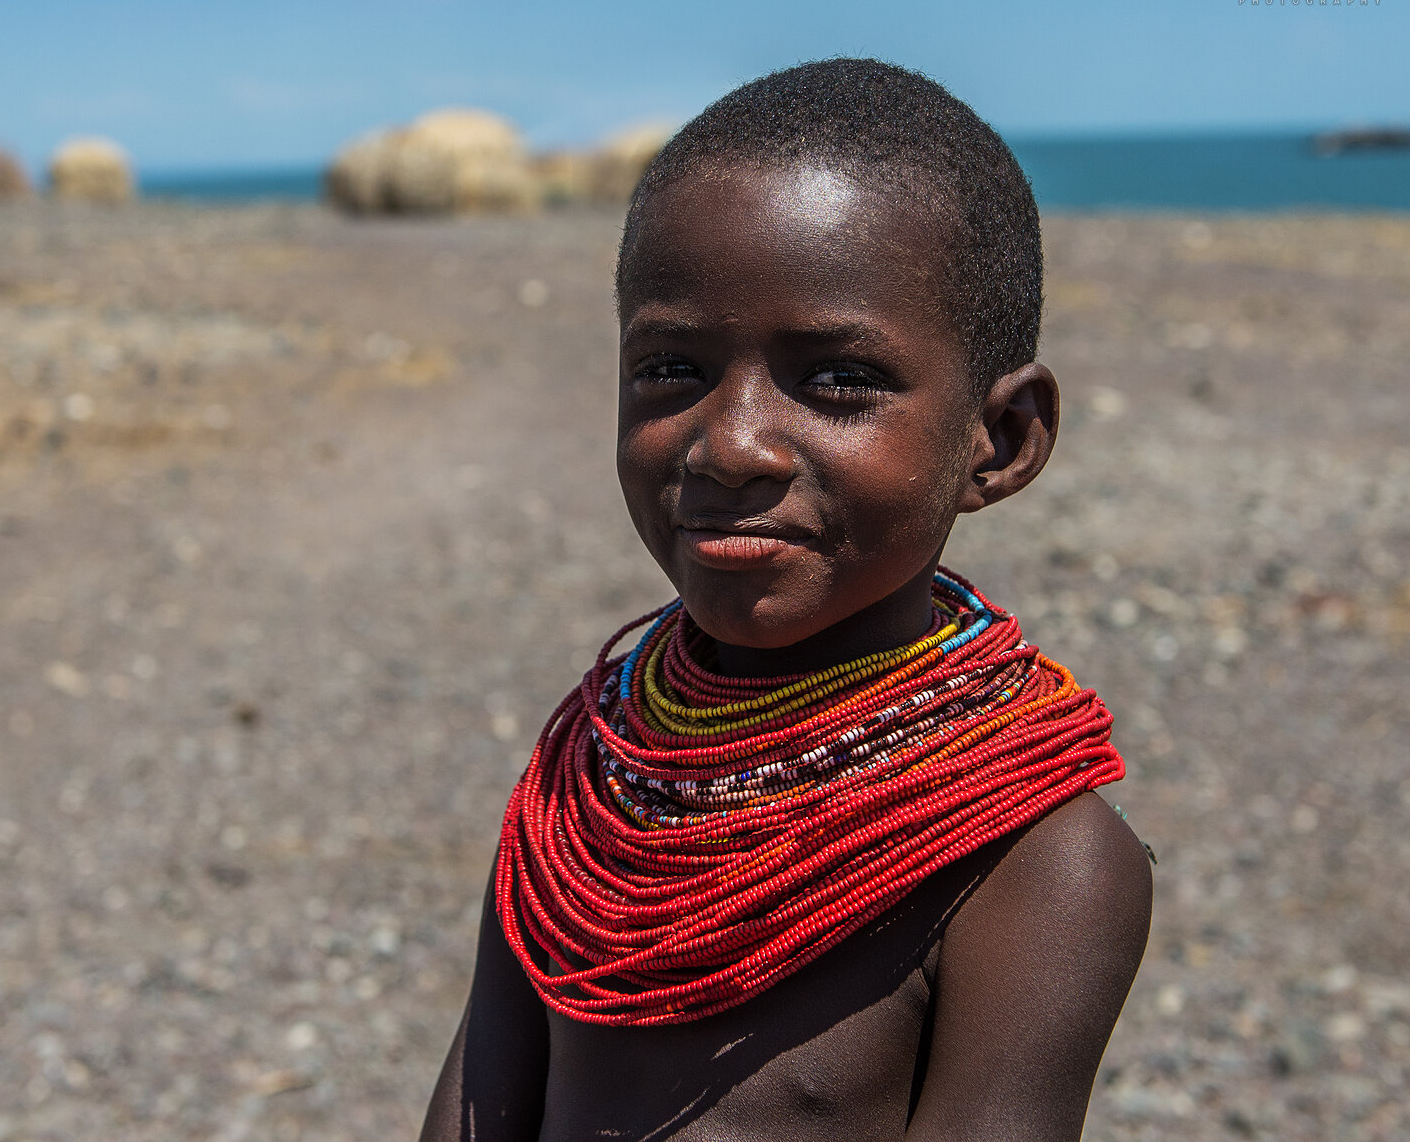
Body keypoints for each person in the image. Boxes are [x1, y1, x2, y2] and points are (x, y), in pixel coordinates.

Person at [419, 59, 1154, 1142]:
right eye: (669, 367)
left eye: (836, 380)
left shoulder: (1029, 859)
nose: (734, 445)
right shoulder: (589, 780)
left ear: (996, 442)